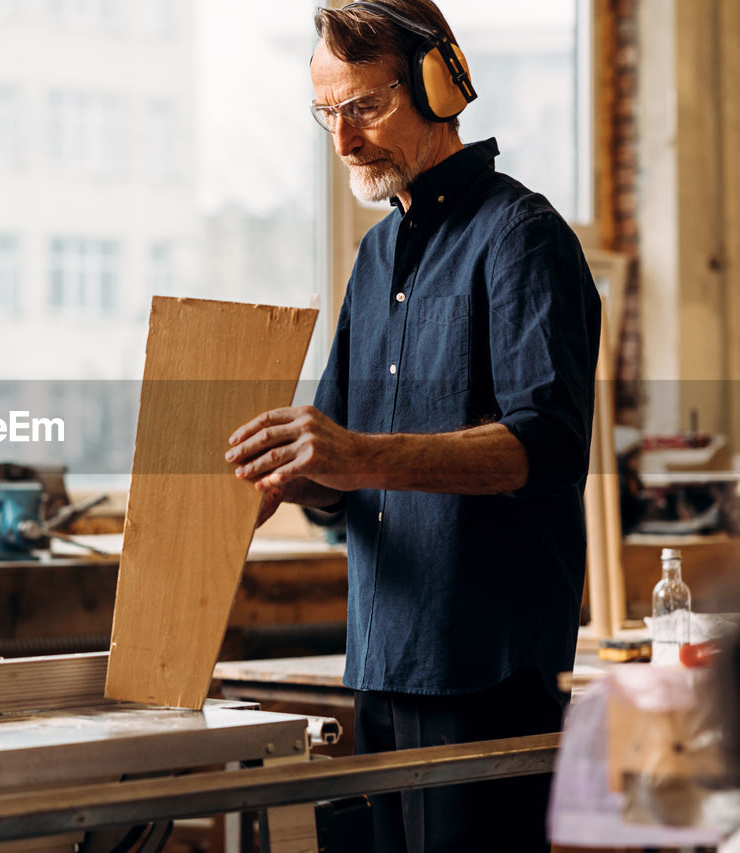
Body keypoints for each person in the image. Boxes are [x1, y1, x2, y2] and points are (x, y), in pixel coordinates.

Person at [225, 1, 601, 850]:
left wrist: (355, 454)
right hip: (381, 659)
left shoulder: (523, 239)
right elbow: (336, 461)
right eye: (329, 114)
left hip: (486, 671)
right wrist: (282, 473)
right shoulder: (375, 256)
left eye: (364, 106)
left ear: (440, 82)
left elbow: (544, 445)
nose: (345, 142)